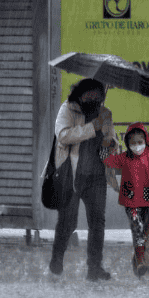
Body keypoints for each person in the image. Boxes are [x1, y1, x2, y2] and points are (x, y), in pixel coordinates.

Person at [49, 78, 118, 281]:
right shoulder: (68, 109)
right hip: (72, 175)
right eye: (91, 93)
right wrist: (91, 128)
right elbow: (62, 135)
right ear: (82, 93)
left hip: (96, 176)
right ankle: (56, 260)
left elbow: (112, 140)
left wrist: (109, 141)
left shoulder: (105, 113)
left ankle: (94, 267)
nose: (95, 97)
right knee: (67, 222)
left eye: (99, 94)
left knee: (97, 223)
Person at [103, 122, 149, 278]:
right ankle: (140, 261)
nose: (137, 146)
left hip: (148, 198)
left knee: (144, 230)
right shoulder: (124, 157)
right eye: (133, 143)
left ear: (145, 140)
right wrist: (104, 151)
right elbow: (110, 161)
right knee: (136, 227)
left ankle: (138, 257)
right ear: (128, 144)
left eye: (140, 142)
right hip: (131, 199)